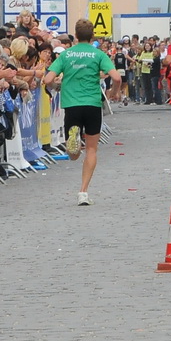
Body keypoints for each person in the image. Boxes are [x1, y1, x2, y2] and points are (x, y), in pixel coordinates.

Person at [45, 18, 122, 206]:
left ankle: (73, 142)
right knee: (92, 149)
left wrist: (56, 86)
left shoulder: (66, 55)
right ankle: (83, 191)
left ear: (76, 35)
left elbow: (47, 79)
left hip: (71, 104)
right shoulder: (98, 54)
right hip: (92, 103)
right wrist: (113, 92)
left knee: (73, 154)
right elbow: (117, 77)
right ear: (92, 35)